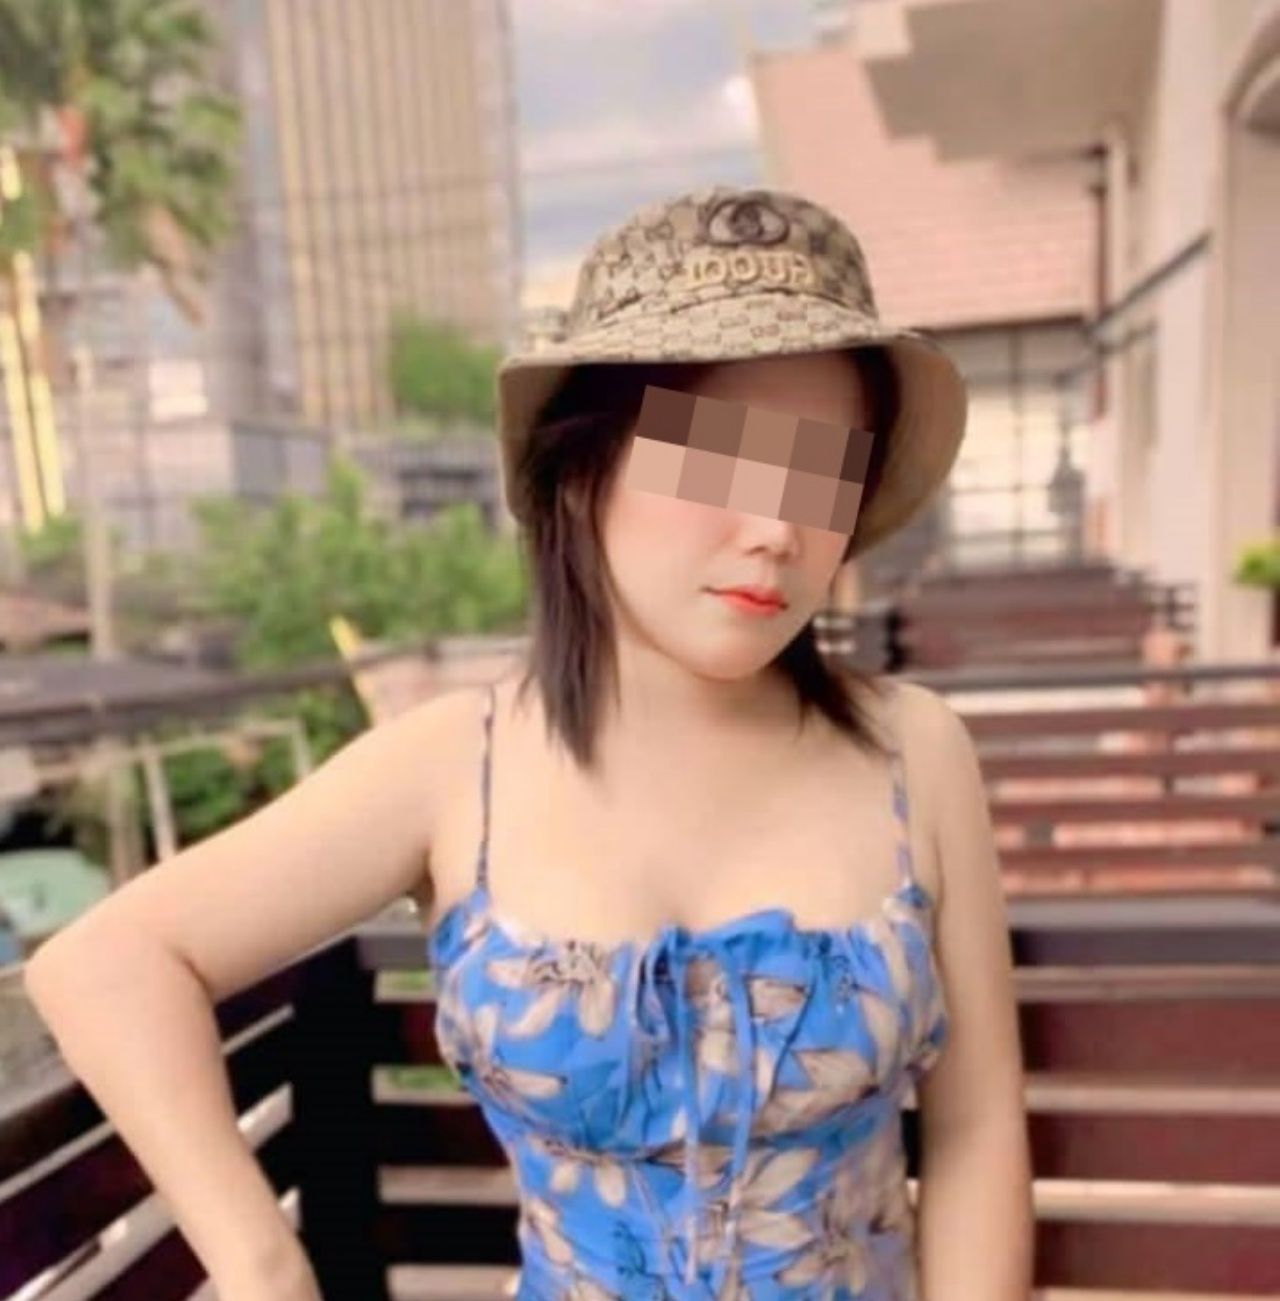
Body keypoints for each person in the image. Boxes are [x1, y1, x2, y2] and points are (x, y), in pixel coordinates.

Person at [23, 184, 1033, 1301]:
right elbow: (105, 964)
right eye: (718, 462)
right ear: (582, 467)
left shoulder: (912, 750)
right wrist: (263, 1265)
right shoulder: (457, 767)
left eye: (823, 474)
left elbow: (978, 1126)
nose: (776, 530)